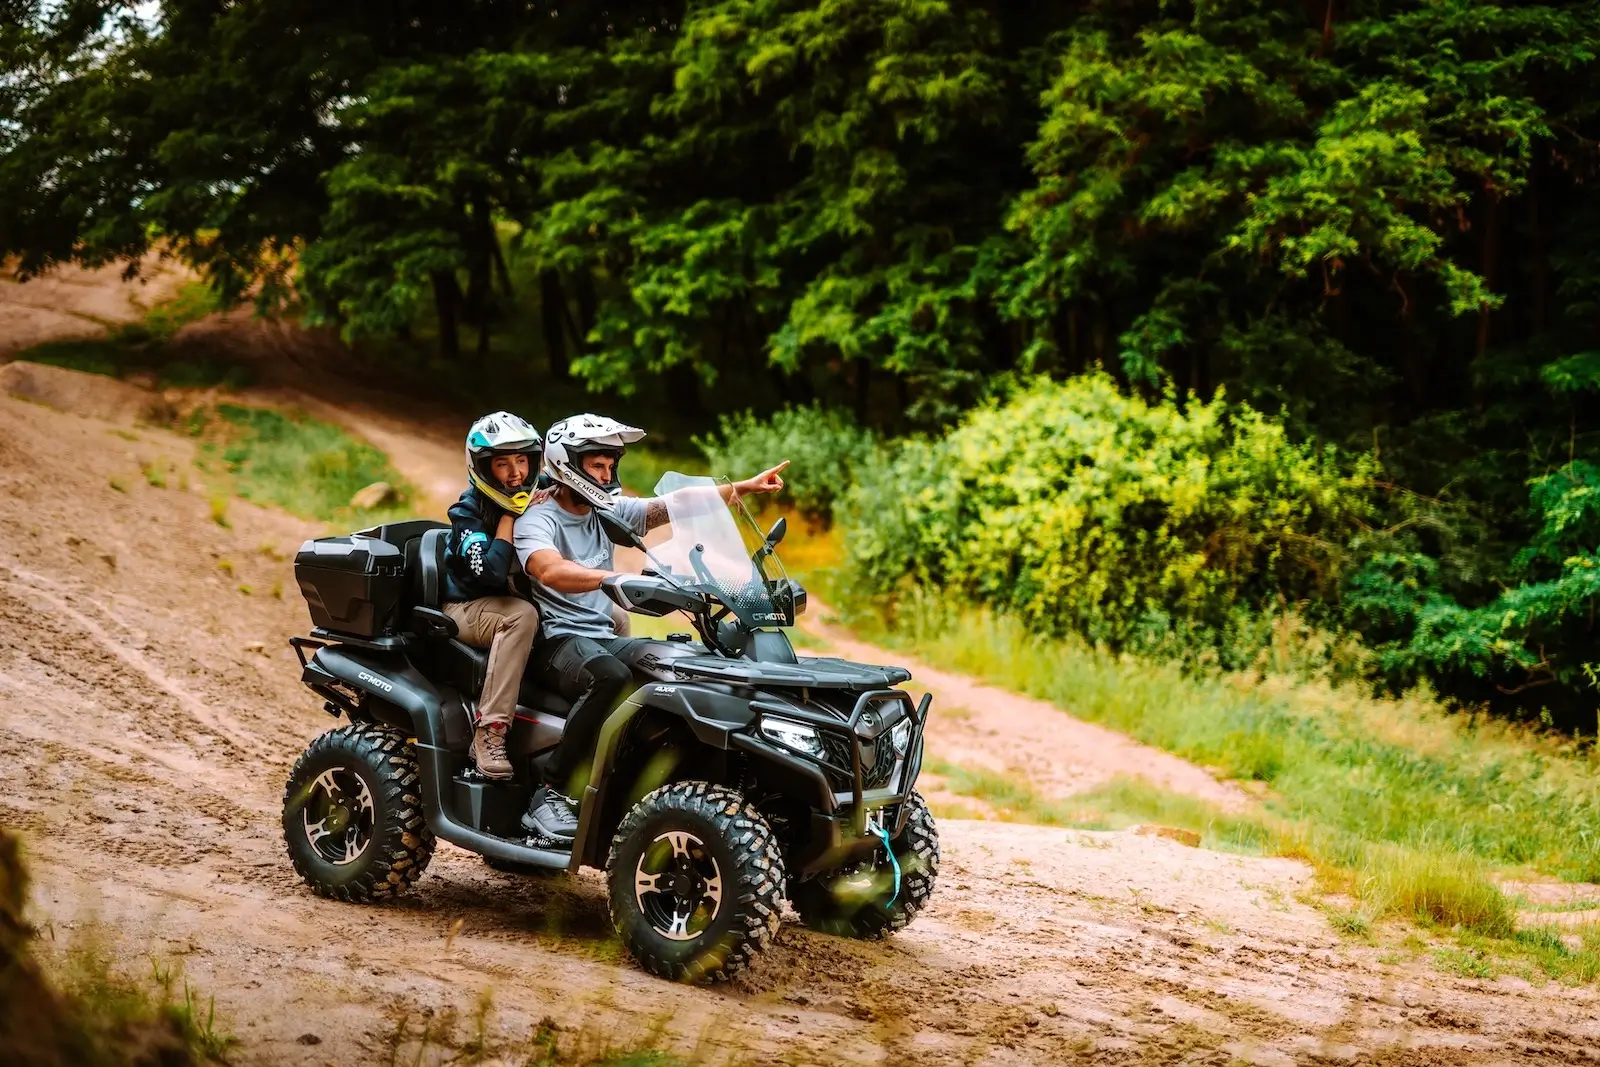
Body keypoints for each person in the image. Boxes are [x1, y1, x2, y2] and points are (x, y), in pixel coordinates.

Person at [513, 413, 788, 846]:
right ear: (568, 465)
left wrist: (743, 488)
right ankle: (549, 794)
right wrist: (609, 578)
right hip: (556, 638)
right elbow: (548, 569)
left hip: (600, 634)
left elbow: (672, 505)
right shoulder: (538, 518)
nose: (606, 475)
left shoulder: (604, 510)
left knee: (675, 665)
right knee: (610, 677)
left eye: (610, 466)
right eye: (597, 466)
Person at [441, 412, 545, 781]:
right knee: (521, 615)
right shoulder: (467, 512)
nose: (516, 473)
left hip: (514, 600)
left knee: (613, 615)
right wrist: (509, 517)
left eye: (522, 461)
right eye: (503, 464)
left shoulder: (541, 490)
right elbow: (489, 572)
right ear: (484, 468)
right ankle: (490, 732)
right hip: (464, 607)